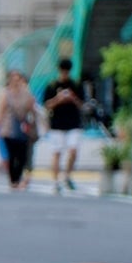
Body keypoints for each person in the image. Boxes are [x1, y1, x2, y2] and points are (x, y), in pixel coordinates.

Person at [42, 56, 83, 193]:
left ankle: (67, 175)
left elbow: (82, 104)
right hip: (57, 123)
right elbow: (46, 105)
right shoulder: (52, 86)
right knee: (57, 152)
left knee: (73, 149)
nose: (65, 74)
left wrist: (73, 98)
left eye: (67, 71)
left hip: (73, 123)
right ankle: (55, 181)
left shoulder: (76, 85)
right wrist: (58, 99)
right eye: (63, 71)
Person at [0, 68, 37, 189]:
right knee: (12, 155)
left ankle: (17, 177)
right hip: (8, 128)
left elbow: (32, 110)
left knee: (22, 155)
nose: (16, 81)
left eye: (18, 79)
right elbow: (1, 112)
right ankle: (14, 180)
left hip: (23, 128)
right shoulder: (6, 93)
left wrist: (32, 123)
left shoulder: (27, 93)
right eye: (13, 79)